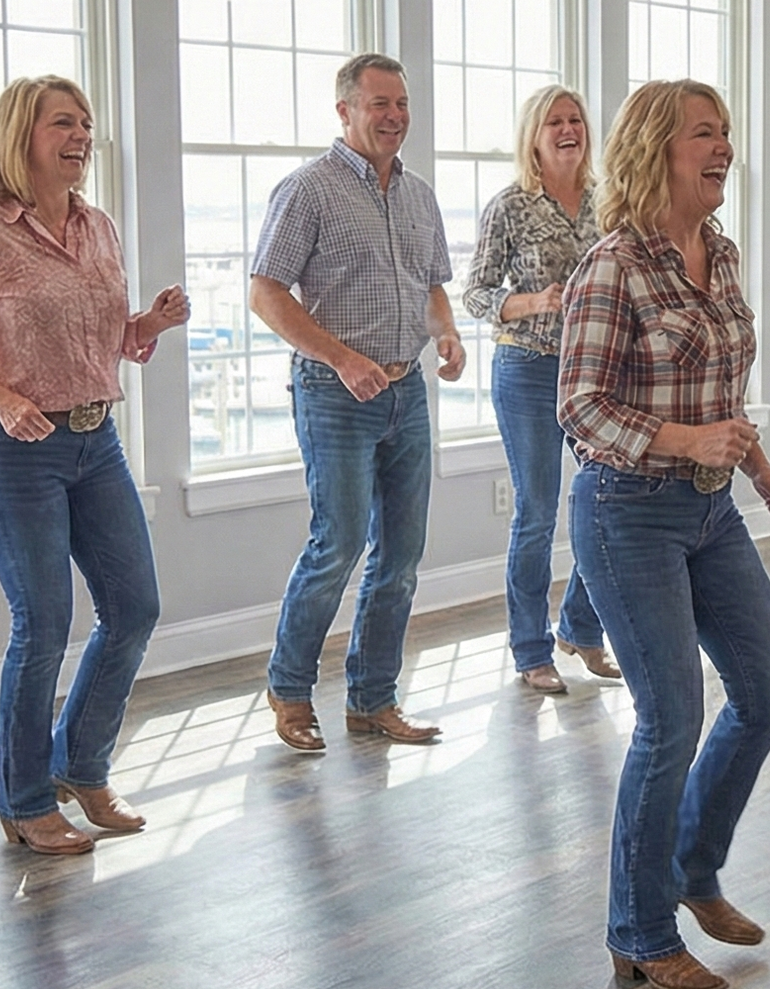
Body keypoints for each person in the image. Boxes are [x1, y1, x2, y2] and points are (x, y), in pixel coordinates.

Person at [560, 79, 770, 989]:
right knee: (670, 717)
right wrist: (685, 442)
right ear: (658, 148)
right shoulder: (612, 265)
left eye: (728, 133)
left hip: (710, 508)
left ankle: (693, 868)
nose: (725, 148)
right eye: (706, 133)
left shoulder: (722, 253)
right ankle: (639, 928)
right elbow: (579, 407)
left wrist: (757, 463)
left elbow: (719, 397)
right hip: (626, 512)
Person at [0, 75, 189, 856]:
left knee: (134, 607)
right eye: (64, 122)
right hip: (11, 449)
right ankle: (24, 799)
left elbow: (103, 342)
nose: (81, 136)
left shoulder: (97, 226)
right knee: (44, 623)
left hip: (97, 442)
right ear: (20, 136)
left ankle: (81, 765)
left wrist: (147, 324)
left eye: (86, 124)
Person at [249, 52, 463, 749]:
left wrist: (449, 333)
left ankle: (373, 698)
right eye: (380, 104)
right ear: (345, 110)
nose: (395, 116)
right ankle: (290, 689)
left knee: (401, 556)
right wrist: (341, 358)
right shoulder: (307, 190)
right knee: (337, 545)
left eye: (402, 103)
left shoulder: (418, 193)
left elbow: (431, 284)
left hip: (408, 392)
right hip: (335, 393)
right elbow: (266, 292)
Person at [462, 85, 618, 694]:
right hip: (526, 369)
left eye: (575, 119)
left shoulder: (609, 204)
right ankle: (531, 649)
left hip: (595, 373)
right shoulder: (510, 206)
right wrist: (533, 302)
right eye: (553, 121)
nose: (567, 129)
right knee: (537, 513)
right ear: (534, 135)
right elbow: (475, 293)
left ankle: (580, 626)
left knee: (609, 499)